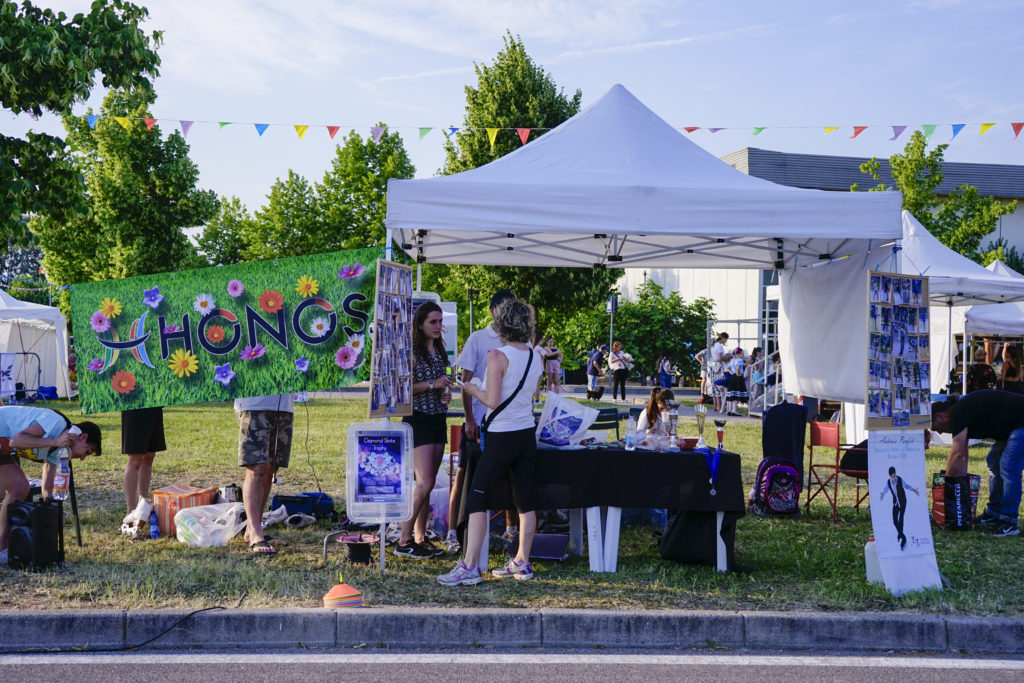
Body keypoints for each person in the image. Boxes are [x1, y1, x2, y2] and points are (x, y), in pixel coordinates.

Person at [438, 298, 544, 586]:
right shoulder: (536, 356)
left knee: (477, 499)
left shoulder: (497, 356)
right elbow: (532, 394)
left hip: (501, 435)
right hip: (525, 433)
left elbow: (492, 401)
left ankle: (470, 566)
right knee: (525, 501)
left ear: (501, 324)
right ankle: (522, 561)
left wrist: (471, 388)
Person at [449, 289, 515, 554]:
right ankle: (453, 531)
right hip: (478, 421)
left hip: (506, 423)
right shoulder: (478, 338)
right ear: (492, 310)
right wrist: (469, 419)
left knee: (509, 475)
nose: (508, 312)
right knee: (464, 475)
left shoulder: (516, 339)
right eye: (504, 307)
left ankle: (511, 531)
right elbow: (465, 382)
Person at [0, 405, 102, 564]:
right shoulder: (56, 423)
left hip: (2, 446)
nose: (82, 458)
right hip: (4, 438)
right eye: (87, 451)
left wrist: (54, 509)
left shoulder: (61, 450)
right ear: (82, 437)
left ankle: (2, 549)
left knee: (19, 488)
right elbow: (16, 440)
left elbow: (47, 489)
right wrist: (55, 441)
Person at [395, 302, 452, 559]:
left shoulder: (438, 349)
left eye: (440, 322)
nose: (439, 326)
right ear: (420, 324)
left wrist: (444, 393)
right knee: (425, 481)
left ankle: (419, 537)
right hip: (417, 418)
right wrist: (432, 384)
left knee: (425, 484)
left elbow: (441, 381)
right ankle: (403, 540)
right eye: (433, 322)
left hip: (438, 416)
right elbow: (402, 389)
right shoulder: (412, 351)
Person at [932, 390, 1024, 536]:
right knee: (993, 462)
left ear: (940, 417)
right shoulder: (960, 412)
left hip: (1020, 421)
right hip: (1011, 425)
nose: (941, 433)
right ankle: (994, 513)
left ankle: (1009, 521)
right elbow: (962, 453)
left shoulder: (957, 414)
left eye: (935, 427)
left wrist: (949, 485)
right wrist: (958, 483)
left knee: (1009, 467)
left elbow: (957, 454)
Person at [235, 393, 293, 554]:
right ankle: (254, 532)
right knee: (257, 468)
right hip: (253, 404)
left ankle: (253, 529)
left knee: (270, 469)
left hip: (283, 406)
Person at [121, 406, 166, 523]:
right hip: (134, 406)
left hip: (153, 406)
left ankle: (143, 507)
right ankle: (131, 510)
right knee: (135, 458)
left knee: (149, 456)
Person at [879, 466, 919, 550]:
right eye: (892, 476)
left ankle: (902, 539)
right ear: (890, 476)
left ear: (896, 474)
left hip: (903, 502)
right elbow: (885, 489)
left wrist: (914, 490)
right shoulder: (889, 482)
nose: (894, 478)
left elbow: (906, 486)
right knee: (894, 521)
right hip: (896, 503)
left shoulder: (900, 479)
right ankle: (902, 536)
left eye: (895, 475)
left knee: (901, 520)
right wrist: (882, 493)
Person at [724, 347, 748, 416]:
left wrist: (732, 373)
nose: (743, 355)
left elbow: (727, 367)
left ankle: (730, 410)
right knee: (737, 393)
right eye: (742, 353)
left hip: (733, 377)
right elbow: (738, 367)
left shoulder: (733, 360)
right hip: (738, 376)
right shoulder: (740, 360)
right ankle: (734, 410)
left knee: (732, 393)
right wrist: (738, 374)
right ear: (738, 354)